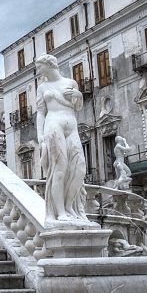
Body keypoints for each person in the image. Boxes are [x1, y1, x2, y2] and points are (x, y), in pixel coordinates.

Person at [34, 55, 88, 223]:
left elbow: (78, 107)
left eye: (39, 66)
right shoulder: (42, 88)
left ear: (49, 65)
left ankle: (69, 205)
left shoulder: (71, 83)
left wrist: (78, 94)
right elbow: (41, 113)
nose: (38, 70)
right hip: (53, 124)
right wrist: (40, 136)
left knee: (79, 168)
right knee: (60, 168)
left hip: (71, 125)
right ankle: (60, 212)